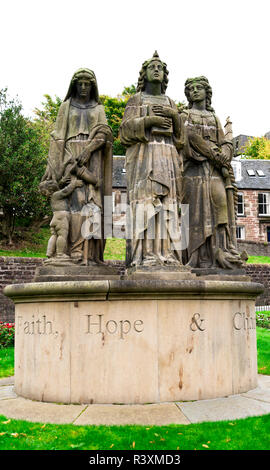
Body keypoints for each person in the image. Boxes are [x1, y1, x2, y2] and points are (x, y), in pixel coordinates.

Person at [41, 68, 113, 265]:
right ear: (74, 85)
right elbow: (58, 136)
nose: (83, 87)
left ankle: (87, 254)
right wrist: (54, 166)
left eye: (87, 84)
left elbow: (104, 133)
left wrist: (89, 149)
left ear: (92, 86)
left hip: (93, 158)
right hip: (69, 158)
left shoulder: (98, 109)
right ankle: (69, 252)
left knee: (90, 205)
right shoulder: (66, 106)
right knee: (72, 203)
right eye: (79, 83)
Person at [120, 51, 184, 267]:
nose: (157, 70)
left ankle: (169, 255)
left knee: (169, 205)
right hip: (144, 157)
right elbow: (124, 132)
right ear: (144, 74)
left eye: (160, 68)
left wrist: (174, 116)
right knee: (148, 204)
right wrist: (149, 120)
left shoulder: (171, 102)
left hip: (168, 156)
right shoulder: (136, 99)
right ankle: (147, 255)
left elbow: (182, 140)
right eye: (152, 67)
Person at [181, 76, 243, 269]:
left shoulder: (214, 118)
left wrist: (224, 152)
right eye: (192, 89)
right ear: (188, 94)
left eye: (200, 88)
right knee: (195, 214)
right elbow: (187, 141)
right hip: (193, 173)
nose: (196, 91)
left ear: (207, 93)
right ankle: (195, 257)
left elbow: (225, 142)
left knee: (220, 206)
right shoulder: (184, 116)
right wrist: (213, 153)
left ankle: (221, 252)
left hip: (214, 172)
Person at [39, 178, 84, 262]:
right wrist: (74, 184)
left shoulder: (53, 197)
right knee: (62, 235)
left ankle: (49, 253)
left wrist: (62, 181)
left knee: (54, 235)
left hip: (55, 218)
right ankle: (60, 254)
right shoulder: (56, 195)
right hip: (61, 217)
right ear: (52, 189)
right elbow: (65, 191)